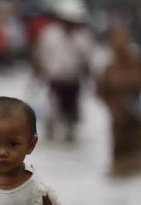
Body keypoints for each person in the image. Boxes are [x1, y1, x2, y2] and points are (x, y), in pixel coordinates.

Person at [96, 24, 141, 172]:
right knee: (119, 165)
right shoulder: (109, 69)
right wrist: (112, 109)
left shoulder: (140, 64)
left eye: (123, 42)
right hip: (119, 125)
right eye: (116, 43)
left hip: (139, 124)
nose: (120, 47)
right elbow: (100, 93)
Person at [33, 0, 95, 142]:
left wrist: (90, 79)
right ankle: (52, 134)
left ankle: (70, 134)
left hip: (73, 80)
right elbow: (40, 55)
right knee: (53, 110)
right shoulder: (49, 34)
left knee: (72, 112)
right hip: (54, 80)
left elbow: (88, 60)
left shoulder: (83, 37)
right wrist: (37, 75)